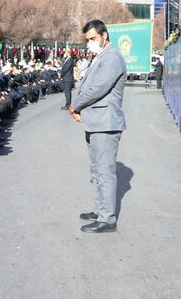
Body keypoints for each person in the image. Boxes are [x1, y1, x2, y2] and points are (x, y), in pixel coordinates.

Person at [70, 19, 127, 233]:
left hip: (105, 123)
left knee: (104, 172)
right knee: (97, 170)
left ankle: (107, 219)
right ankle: (100, 209)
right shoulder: (101, 55)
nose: (90, 43)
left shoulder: (111, 57)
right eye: (87, 40)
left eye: (93, 38)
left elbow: (97, 89)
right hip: (96, 123)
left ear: (104, 35)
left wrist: (75, 105)